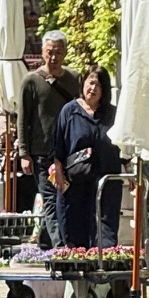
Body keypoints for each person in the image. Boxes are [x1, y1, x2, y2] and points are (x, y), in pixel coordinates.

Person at [19, 31, 80, 248]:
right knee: (51, 198)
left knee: (62, 197)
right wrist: (24, 153)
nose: (53, 58)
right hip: (41, 151)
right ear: (43, 52)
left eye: (58, 53)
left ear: (65, 53)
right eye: (49, 52)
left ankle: (44, 241)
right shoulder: (31, 80)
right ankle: (60, 245)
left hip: (69, 152)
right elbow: (23, 118)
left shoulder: (74, 79)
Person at [51, 67, 123, 249]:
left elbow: (123, 147)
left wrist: (129, 173)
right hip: (77, 181)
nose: (94, 88)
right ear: (83, 83)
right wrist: (58, 171)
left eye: (99, 84)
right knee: (76, 227)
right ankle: (78, 268)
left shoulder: (113, 114)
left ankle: (104, 269)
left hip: (107, 181)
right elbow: (58, 146)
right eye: (91, 82)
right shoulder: (69, 111)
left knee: (105, 229)